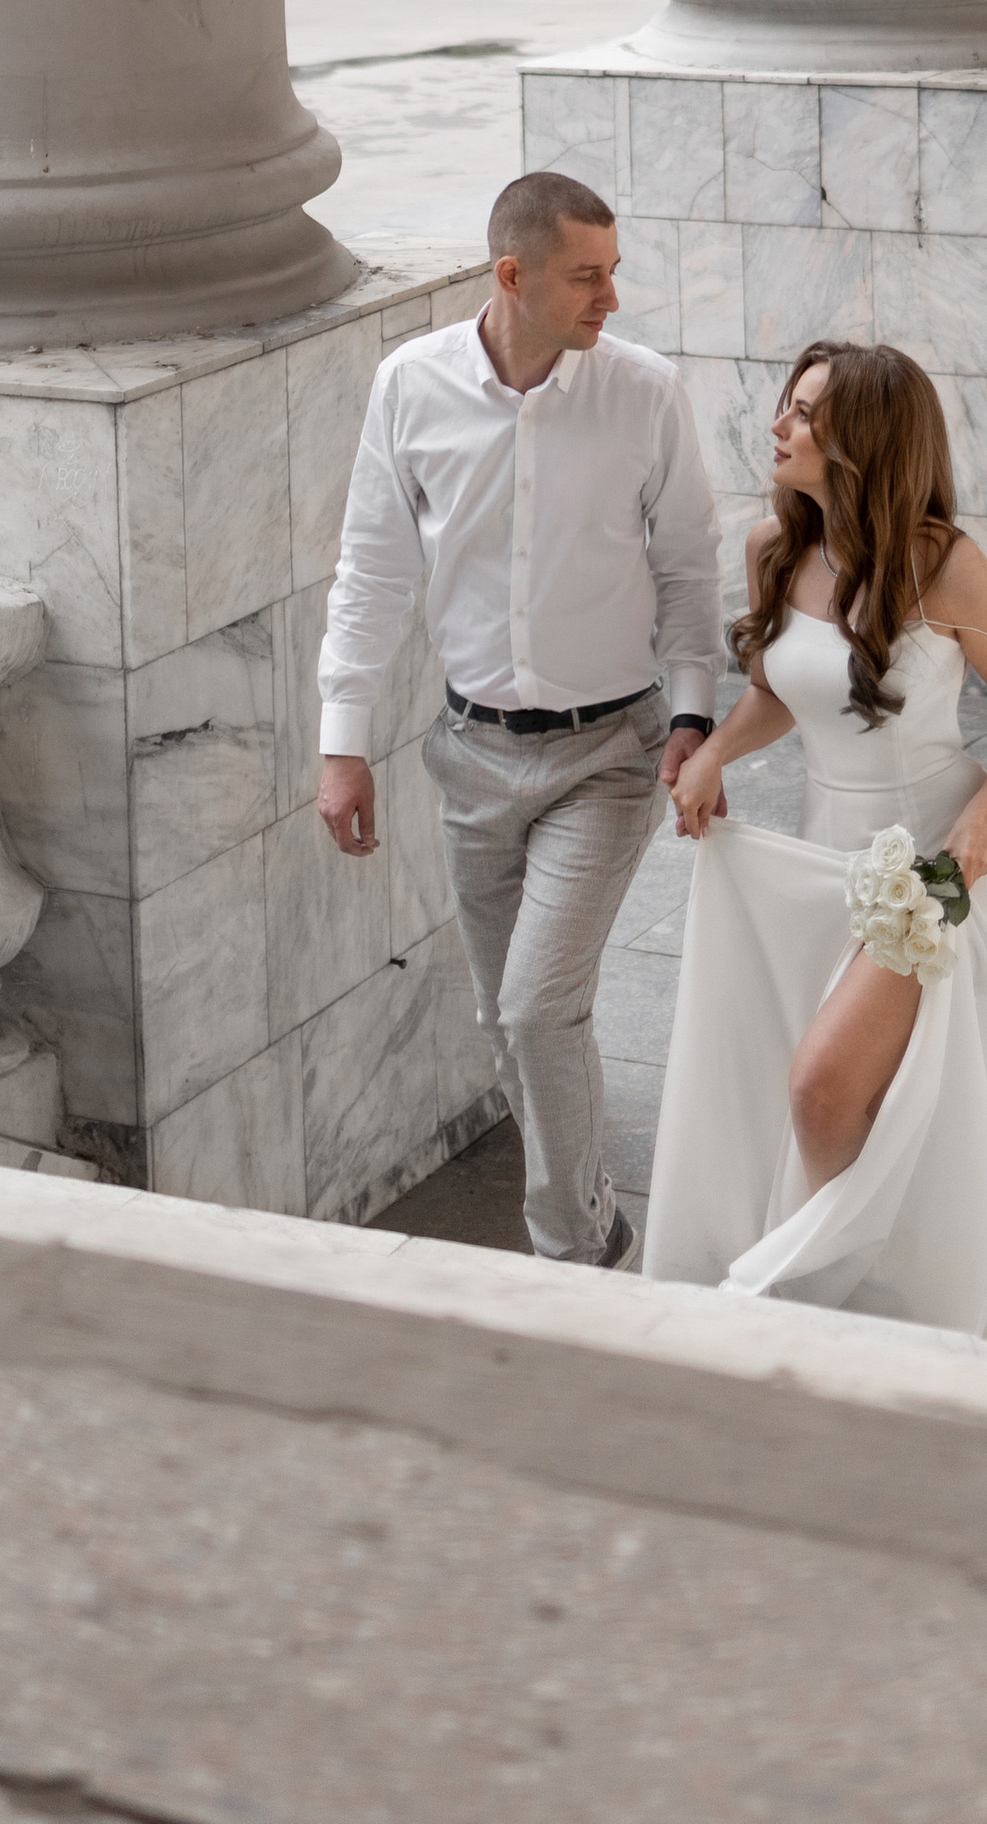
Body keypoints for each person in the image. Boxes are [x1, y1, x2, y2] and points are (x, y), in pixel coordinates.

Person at [317, 166, 724, 1267]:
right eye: (587, 277)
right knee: (509, 1021)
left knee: (541, 1008)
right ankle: (591, 1208)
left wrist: (693, 717)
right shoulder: (410, 386)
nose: (611, 298)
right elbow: (372, 570)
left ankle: (570, 1248)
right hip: (470, 755)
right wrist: (342, 742)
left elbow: (689, 569)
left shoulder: (642, 391)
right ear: (514, 275)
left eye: (614, 273)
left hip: (610, 752)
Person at [641, 340, 987, 1338]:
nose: (777, 425)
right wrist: (715, 756)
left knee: (822, 1090)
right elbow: (787, 694)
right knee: (846, 1101)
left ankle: (824, 1294)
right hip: (818, 858)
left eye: (805, 413)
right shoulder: (773, 548)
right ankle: (884, 1291)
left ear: (862, 441)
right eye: (786, 406)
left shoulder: (945, 565)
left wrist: (980, 818)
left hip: (931, 873)